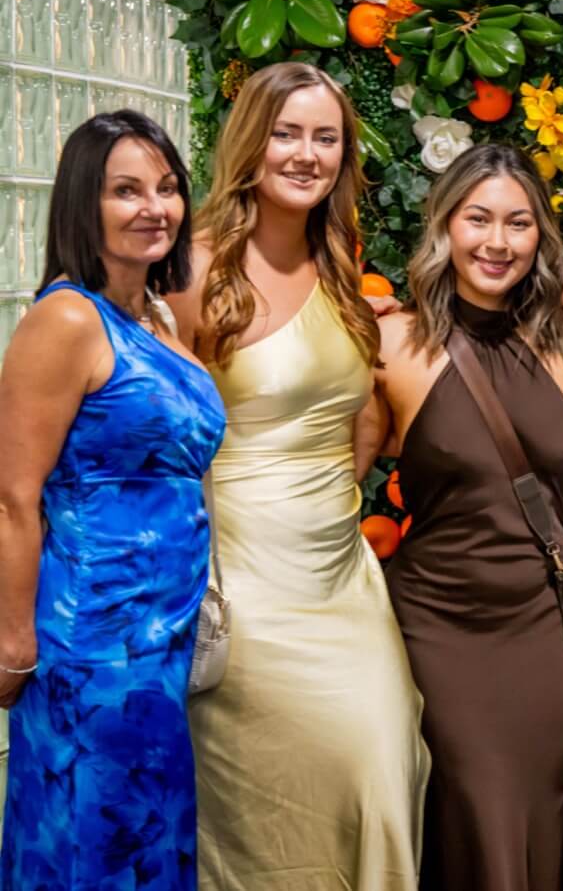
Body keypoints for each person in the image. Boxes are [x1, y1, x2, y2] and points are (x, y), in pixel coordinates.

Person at [167, 62, 428, 889]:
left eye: (326, 137)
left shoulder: (340, 267)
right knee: (265, 810)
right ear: (251, 142)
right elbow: (150, 432)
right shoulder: (191, 270)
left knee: (385, 766)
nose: (307, 154)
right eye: (287, 134)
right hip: (241, 586)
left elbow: (359, 420)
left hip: (341, 578)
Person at [354, 144, 563, 891]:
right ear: (445, 226)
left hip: (543, 627)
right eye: (478, 219)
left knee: (534, 819)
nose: (498, 241)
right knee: (476, 813)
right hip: (439, 627)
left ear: (541, 237)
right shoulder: (392, 344)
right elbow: (325, 472)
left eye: (518, 223)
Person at [0, 112, 225, 889]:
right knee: (94, 843)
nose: (155, 208)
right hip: (92, 642)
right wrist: (13, 643)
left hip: (162, 638)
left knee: (148, 837)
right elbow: (12, 498)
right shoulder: (66, 318)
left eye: (167, 188)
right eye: (126, 191)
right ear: (82, 204)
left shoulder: (156, 319)